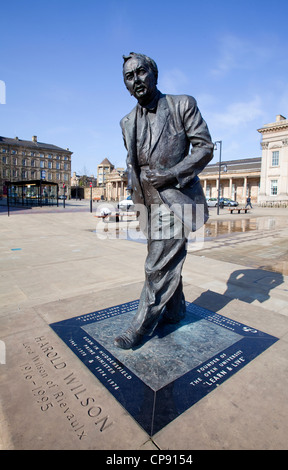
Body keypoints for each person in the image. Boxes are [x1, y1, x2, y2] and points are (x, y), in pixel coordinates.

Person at [114, 52, 214, 349]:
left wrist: (171, 174)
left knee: (155, 266)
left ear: (154, 74)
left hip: (176, 197)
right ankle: (175, 309)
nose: (136, 80)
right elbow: (133, 161)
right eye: (129, 77)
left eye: (141, 72)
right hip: (147, 203)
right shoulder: (126, 121)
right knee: (167, 259)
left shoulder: (183, 104)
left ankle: (140, 327)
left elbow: (205, 147)